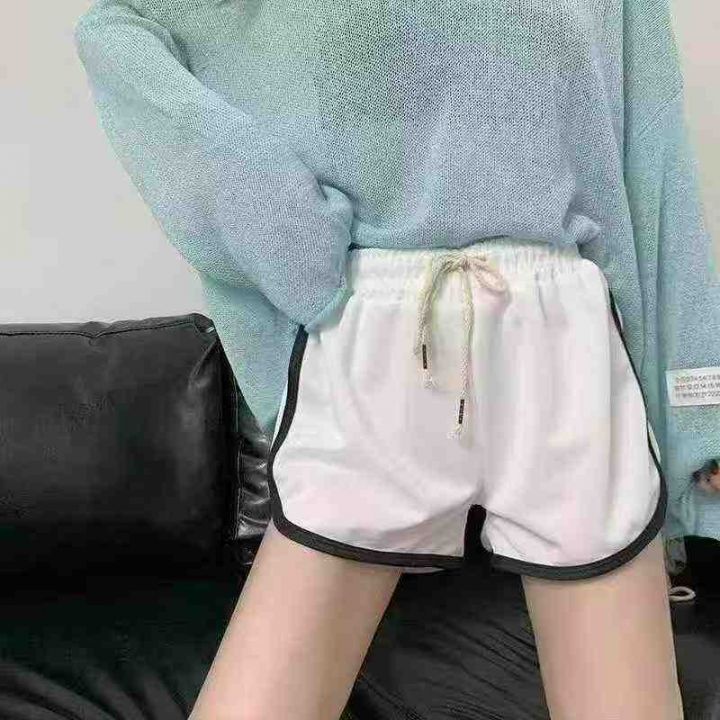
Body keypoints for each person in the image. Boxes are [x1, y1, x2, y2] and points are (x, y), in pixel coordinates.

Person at [73, 1, 720, 717]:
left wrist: (699, 416)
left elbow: (653, 168)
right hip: (380, 336)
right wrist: (294, 242)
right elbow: (119, 33)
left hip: (566, 342)